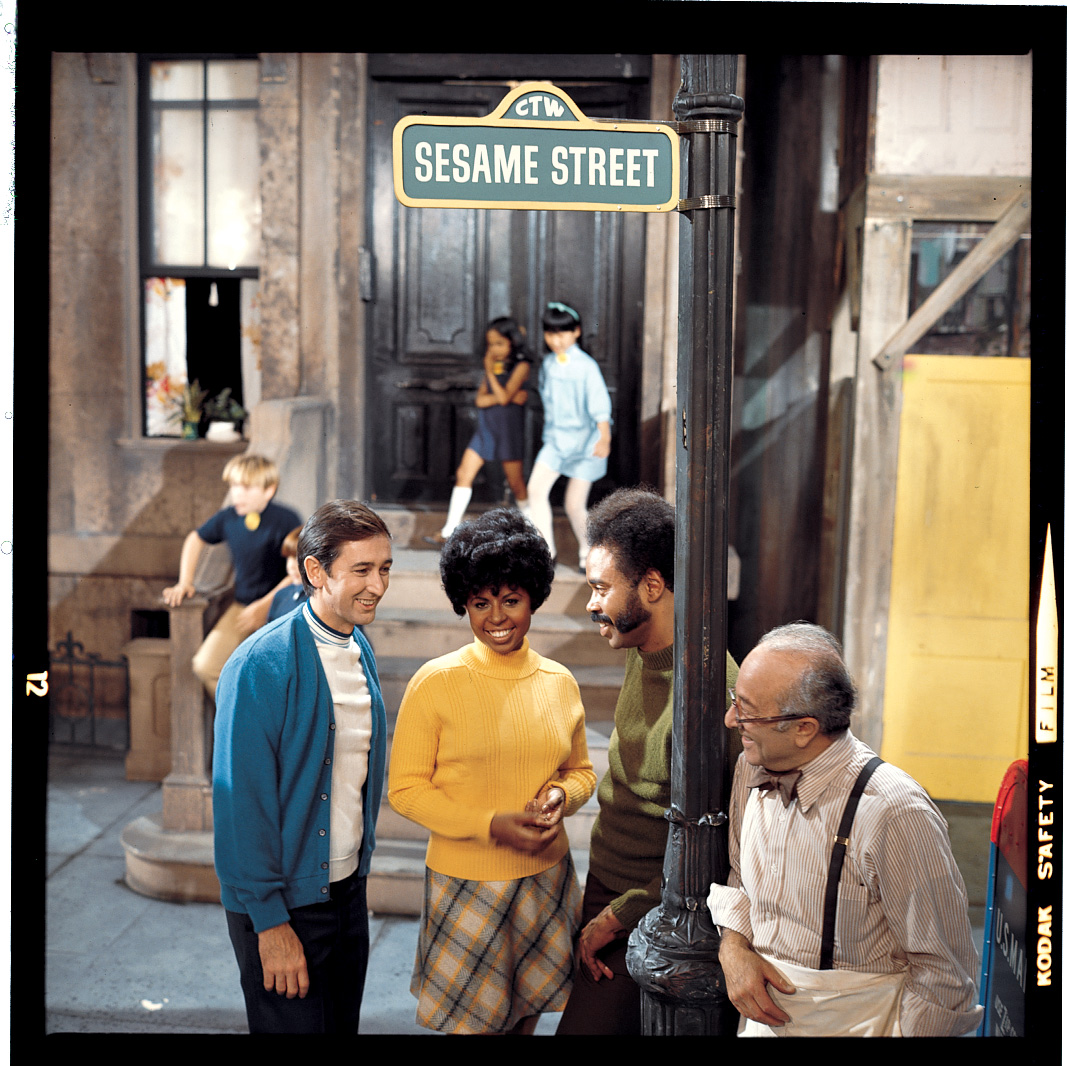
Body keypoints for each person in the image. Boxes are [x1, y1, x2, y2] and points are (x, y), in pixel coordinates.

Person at [708, 622, 983, 1037]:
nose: (731, 720)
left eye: (747, 710)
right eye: (734, 702)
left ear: (805, 729)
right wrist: (733, 948)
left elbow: (944, 976)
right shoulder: (752, 766)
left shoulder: (894, 812)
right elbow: (740, 875)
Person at [389, 508, 597, 1035]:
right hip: (466, 882)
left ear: (533, 598)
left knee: (525, 1020)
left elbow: (582, 773)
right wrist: (489, 823)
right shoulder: (435, 682)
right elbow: (406, 790)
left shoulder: (559, 682)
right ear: (464, 603)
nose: (497, 617)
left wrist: (559, 797)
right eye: (480, 603)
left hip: (545, 878)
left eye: (511, 600)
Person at [555, 487, 740, 1035]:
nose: (592, 604)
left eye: (601, 588)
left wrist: (622, 914)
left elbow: (722, 848)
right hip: (607, 893)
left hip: (656, 914)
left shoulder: (710, 695)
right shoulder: (642, 650)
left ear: (653, 586)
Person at [212, 500, 393, 1034]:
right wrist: (270, 924)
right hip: (282, 909)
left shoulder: (359, 645)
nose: (378, 586)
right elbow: (238, 805)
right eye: (361, 570)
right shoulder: (258, 666)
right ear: (316, 571)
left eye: (384, 569)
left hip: (345, 895)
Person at [163, 454, 301, 700]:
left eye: (245, 488)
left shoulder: (287, 520)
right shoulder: (228, 517)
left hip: (281, 608)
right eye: (233, 486)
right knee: (205, 666)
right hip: (241, 608)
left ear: (269, 490)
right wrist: (185, 581)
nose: (236, 494)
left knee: (276, 679)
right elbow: (195, 539)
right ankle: (245, 721)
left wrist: (265, 605)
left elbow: (298, 571)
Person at [428, 316, 533, 544]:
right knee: (464, 473)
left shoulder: (522, 366)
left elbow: (502, 398)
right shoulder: (494, 367)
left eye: (499, 344)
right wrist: (506, 394)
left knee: (517, 485)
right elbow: (481, 401)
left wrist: (493, 378)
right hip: (487, 428)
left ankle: (536, 531)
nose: (493, 350)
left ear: (512, 342)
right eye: (490, 344)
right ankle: (448, 530)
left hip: (507, 431)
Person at [525, 302, 612, 571]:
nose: (556, 340)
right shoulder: (549, 365)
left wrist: (604, 437)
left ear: (576, 332)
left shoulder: (586, 366)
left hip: (585, 442)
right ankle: (546, 550)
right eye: (550, 334)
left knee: (574, 503)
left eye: (562, 333)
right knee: (535, 490)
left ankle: (589, 552)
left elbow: (599, 404)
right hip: (556, 442)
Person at [266, 526, 308, 622]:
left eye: (296, 558)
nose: (290, 566)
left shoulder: (318, 601)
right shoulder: (281, 596)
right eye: (288, 558)